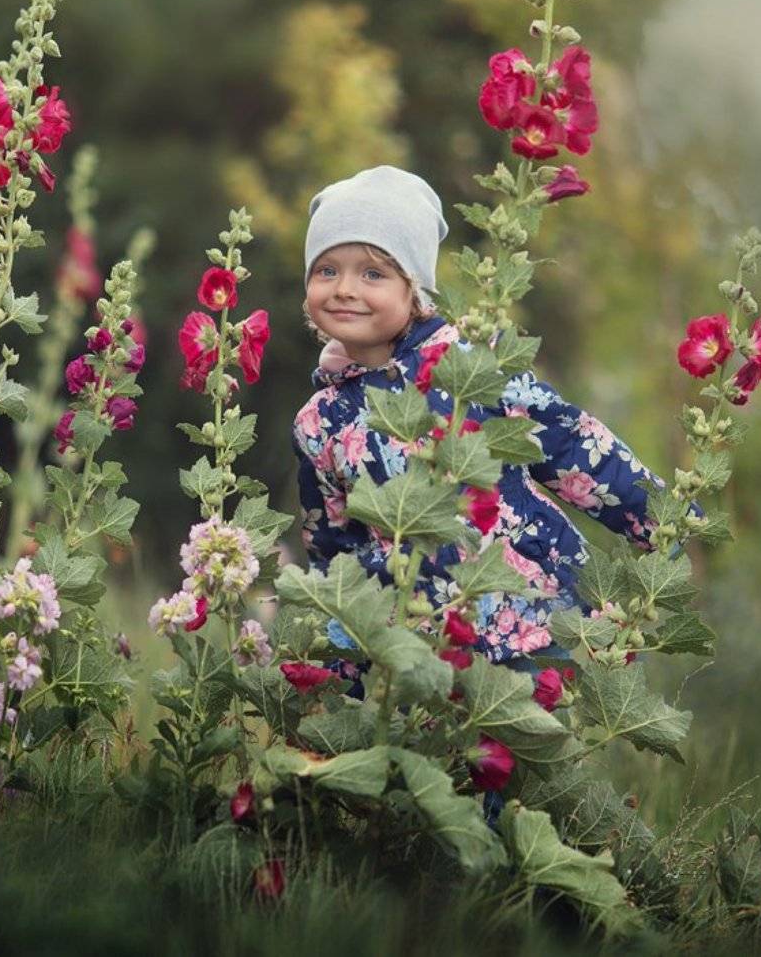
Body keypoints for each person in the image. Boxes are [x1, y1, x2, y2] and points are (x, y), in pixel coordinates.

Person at [290, 164, 683, 668]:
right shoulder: (318, 420)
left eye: (372, 273)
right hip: (416, 640)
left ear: (415, 291)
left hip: (529, 609)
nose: (344, 288)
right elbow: (332, 540)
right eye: (326, 270)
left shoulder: (468, 363)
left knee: (525, 741)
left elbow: (564, 441)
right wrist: (342, 643)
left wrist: (659, 519)